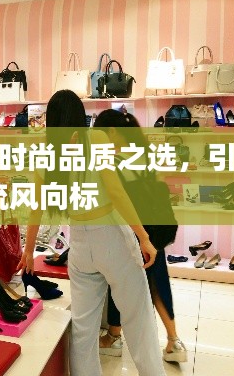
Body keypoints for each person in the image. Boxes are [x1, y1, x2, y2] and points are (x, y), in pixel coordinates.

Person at [17, 90, 166, 376]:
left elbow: (36, 208)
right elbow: (116, 193)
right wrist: (144, 237)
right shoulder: (95, 139)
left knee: (83, 329)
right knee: (138, 318)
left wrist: (28, 250)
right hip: (111, 236)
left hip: (80, 244)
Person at [94, 109, 187, 362]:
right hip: (158, 229)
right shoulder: (143, 155)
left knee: (118, 282)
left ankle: (114, 336)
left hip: (135, 232)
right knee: (158, 282)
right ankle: (174, 341)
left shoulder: (114, 162)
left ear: (112, 132)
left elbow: (116, 201)